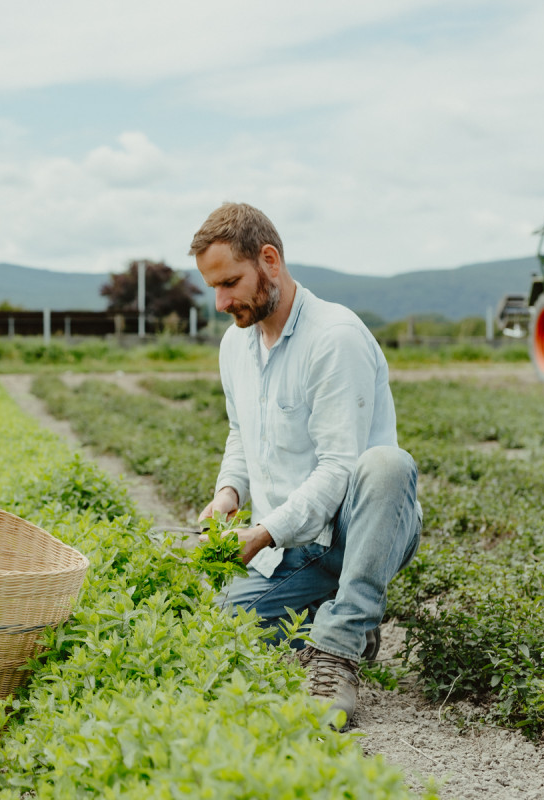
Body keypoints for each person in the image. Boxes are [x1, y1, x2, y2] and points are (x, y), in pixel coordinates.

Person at [189, 203, 421, 728]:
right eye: (213, 288)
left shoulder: (334, 338)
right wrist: (229, 492)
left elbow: (341, 468)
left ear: (269, 260)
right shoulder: (235, 344)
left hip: (356, 530)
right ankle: (335, 611)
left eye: (230, 283)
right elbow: (240, 432)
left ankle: (338, 648)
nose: (222, 301)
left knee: (385, 464)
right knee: (225, 624)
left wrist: (266, 531)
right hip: (291, 544)